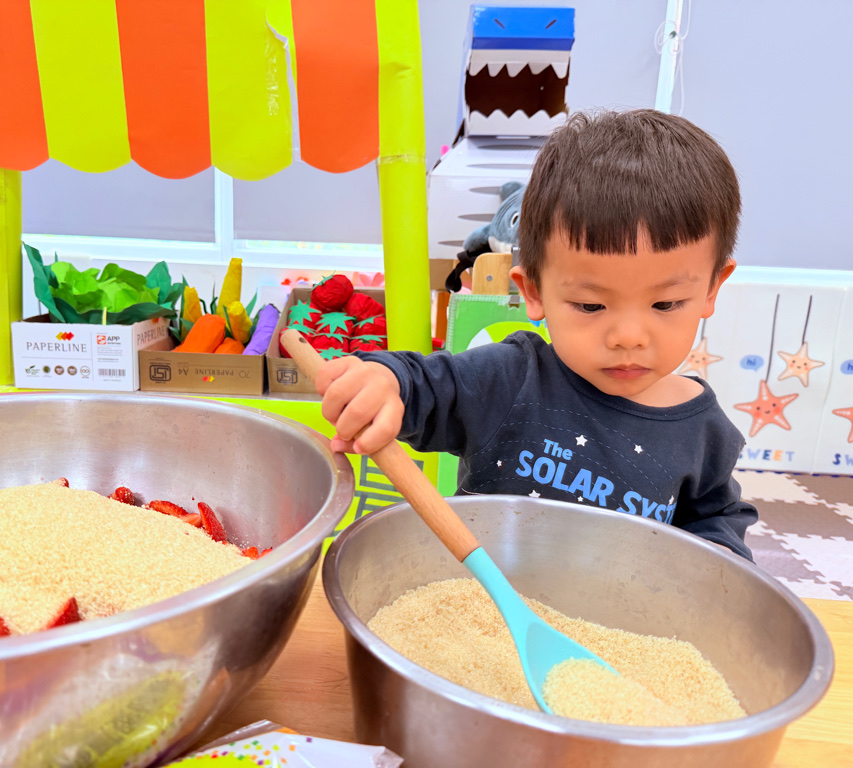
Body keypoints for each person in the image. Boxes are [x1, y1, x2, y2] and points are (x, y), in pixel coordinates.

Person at [317, 108, 757, 560]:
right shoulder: (508, 379)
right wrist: (385, 382)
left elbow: (717, 520)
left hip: (616, 605)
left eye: (665, 304)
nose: (628, 337)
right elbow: (422, 386)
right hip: (482, 598)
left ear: (711, 289)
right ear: (534, 291)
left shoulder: (704, 432)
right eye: (590, 305)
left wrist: (720, 567)